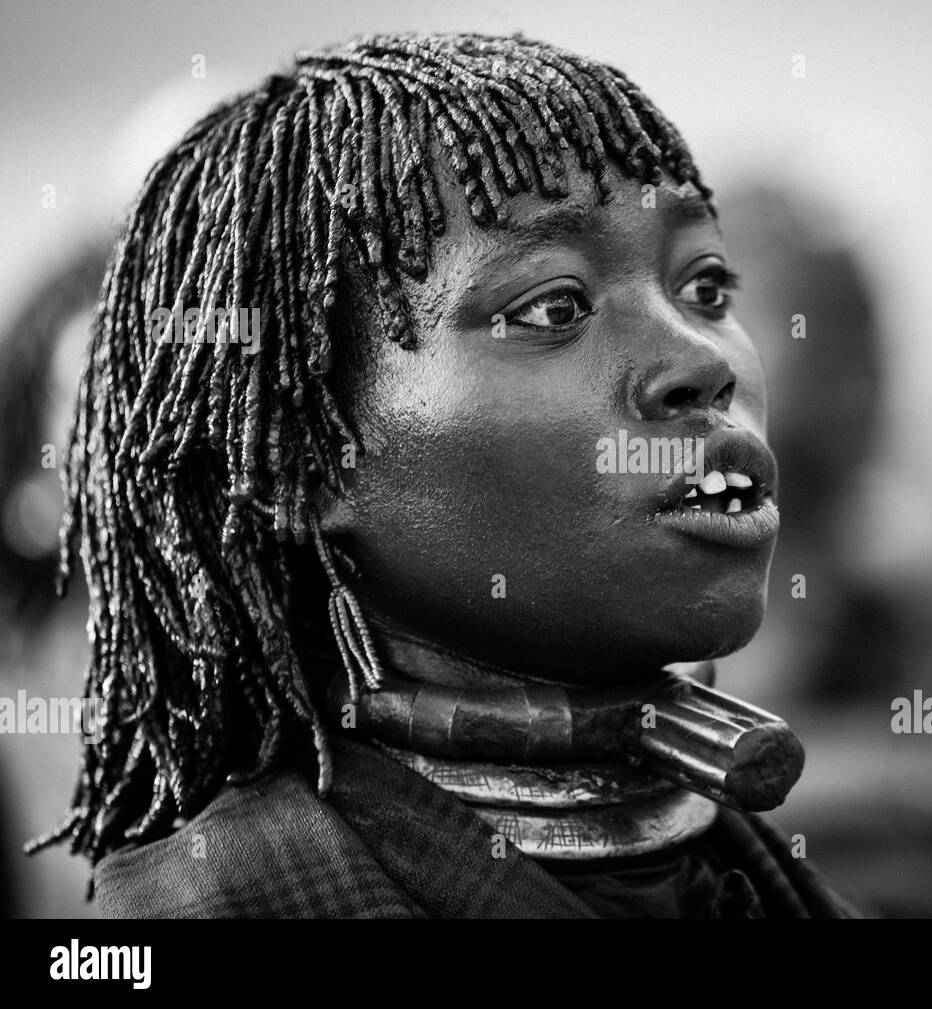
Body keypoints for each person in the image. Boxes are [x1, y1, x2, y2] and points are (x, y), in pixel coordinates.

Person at [30, 31, 857, 919]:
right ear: (302, 459)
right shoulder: (220, 908)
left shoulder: (751, 876)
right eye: (553, 306)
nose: (703, 361)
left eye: (705, 289)